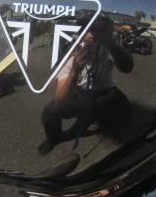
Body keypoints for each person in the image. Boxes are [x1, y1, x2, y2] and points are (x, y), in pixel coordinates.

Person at [38, 16, 133, 155]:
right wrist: (74, 71)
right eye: (89, 35)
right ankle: (53, 139)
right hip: (80, 93)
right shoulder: (73, 53)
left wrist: (110, 42)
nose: (94, 41)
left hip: (105, 92)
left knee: (125, 111)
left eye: (98, 35)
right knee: (50, 111)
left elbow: (127, 67)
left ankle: (96, 118)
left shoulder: (108, 49)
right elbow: (59, 98)